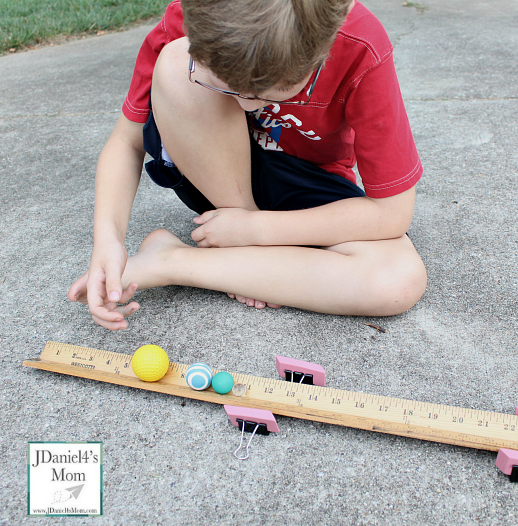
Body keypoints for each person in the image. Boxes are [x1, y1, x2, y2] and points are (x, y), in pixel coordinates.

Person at [68, 0, 427, 331]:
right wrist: (107, 240)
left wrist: (256, 231)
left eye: (265, 93)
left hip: (307, 179)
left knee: (398, 280)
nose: (244, 107)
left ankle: (170, 261)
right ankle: (249, 261)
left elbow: (392, 211)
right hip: (213, 170)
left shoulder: (360, 45)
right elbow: (125, 143)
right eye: (225, 88)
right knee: (178, 63)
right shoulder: (197, 18)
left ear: (322, 51)